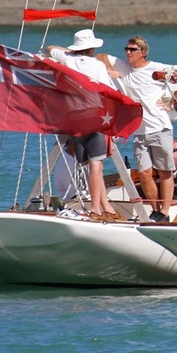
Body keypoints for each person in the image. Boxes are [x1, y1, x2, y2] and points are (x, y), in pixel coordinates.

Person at [46, 28, 122, 221]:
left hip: (75, 119)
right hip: (96, 118)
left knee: (91, 165)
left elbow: (50, 48)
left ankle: (106, 206)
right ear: (91, 49)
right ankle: (96, 209)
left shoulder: (68, 61)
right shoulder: (97, 66)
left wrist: (70, 54)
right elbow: (108, 93)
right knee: (96, 164)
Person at [100, 35, 175, 223]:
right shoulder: (125, 68)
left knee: (165, 171)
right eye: (126, 49)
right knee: (144, 173)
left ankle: (165, 212)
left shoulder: (156, 68)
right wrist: (110, 70)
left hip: (160, 127)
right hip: (139, 131)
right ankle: (156, 209)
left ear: (143, 52)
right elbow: (101, 56)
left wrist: (173, 102)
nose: (127, 52)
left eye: (132, 50)